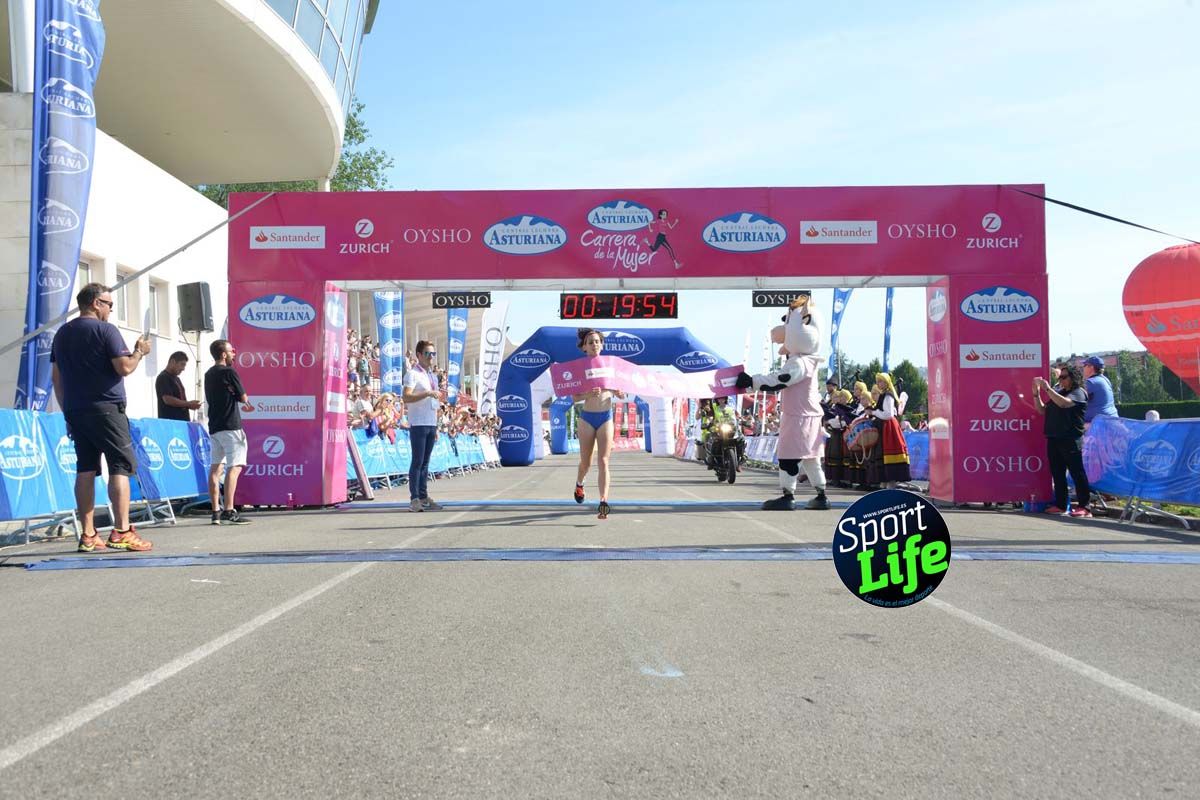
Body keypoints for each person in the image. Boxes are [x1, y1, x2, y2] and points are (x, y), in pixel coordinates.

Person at [50, 283, 154, 553]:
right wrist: (140, 351)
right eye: (109, 304)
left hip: (75, 410)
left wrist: (67, 411)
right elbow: (125, 367)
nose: (110, 309)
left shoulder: (62, 333)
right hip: (106, 408)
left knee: (85, 468)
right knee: (120, 465)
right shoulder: (105, 330)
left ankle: (88, 534)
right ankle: (121, 531)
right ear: (96, 303)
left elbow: (56, 378)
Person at [735, 293, 830, 510]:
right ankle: (821, 495)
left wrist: (752, 381)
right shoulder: (807, 361)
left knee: (788, 457)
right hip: (808, 414)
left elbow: (780, 380)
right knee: (810, 457)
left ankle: (788, 495)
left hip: (798, 416)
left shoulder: (800, 363)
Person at [572, 328, 627, 519]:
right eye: (590, 342)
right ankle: (580, 483)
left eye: (597, 341)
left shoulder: (611, 366)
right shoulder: (581, 368)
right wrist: (588, 394)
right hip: (587, 418)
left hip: (606, 417)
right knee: (586, 463)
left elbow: (621, 390)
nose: (594, 344)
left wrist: (620, 393)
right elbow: (575, 397)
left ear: (601, 345)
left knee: (603, 460)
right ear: (584, 347)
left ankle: (603, 501)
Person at [205, 339, 253, 525]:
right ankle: (229, 509)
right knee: (236, 466)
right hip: (231, 425)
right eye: (231, 351)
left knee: (216, 468)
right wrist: (237, 394)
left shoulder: (209, 373)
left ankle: (215, 511)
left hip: (215, 426)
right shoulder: (230, 371)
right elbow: (244, 398)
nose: (234, 354)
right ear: (224, 354)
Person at [1034, 363, 1092, 517]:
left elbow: (1063, 403)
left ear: (1073, 378)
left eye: (1064, 377)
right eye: (1060, 377)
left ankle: (1084, 507)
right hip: (1054, 437)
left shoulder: (1079, 393)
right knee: (1057, 473)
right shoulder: (1059, 392)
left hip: (1071, 438)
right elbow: (1041, 410)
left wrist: (1047, 388)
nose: (1060, 380)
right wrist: (1036, 393)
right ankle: (1060, 505)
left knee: (1076, 472)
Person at [402, 340, 443, 512]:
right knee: (417, 461)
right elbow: (406, 397)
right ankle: (414, 499)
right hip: (418, 422)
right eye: (427, 353)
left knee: (426, 463)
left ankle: (424, 495)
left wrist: (437, 426)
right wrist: (426, 393)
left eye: (433, 354)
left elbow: (435, 402)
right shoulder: (412, 374)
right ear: (419, 355)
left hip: (430, 422)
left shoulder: (432, 376)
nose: (430, 357)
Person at [870, 373, 912, 486]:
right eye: (878, 381)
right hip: (884, 428)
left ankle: (890, 485)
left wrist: (873, 412)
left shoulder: (888, 395)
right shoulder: (884, 394)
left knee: (889, 455)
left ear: (887, 382)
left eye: (881, 381)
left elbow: (888, 414)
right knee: (883, 456)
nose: (879, 383)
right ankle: (885, 484)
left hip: (888, 428)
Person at [156, 351, 201, 421]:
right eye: (182, 364)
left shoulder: (177, 378)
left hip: (181, 422)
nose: (183, 369)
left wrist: (190, 405)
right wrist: (188, 404)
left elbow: (180, 400)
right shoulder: (163, 377)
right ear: (173, 362)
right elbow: (168, 399)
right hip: (171, 423)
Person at [1082, 356, 1118, 430]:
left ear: (1091, 367)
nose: (1083, 368)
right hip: (1112, 422)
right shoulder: (1105, 380)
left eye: (1084, 365)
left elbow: (1073, 398)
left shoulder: (1090, 383)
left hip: (1100, 426)